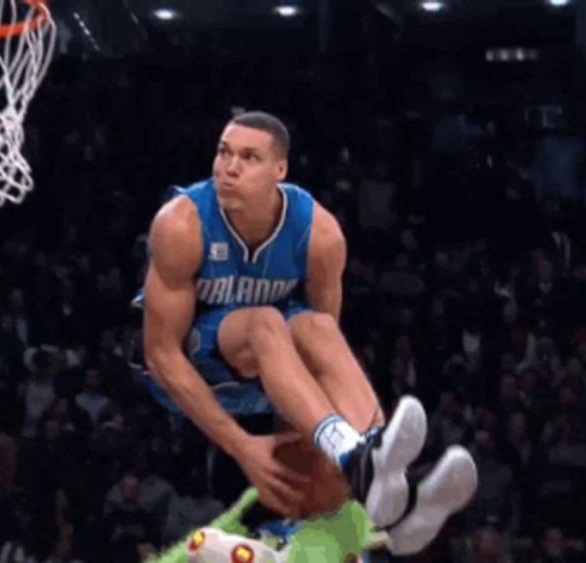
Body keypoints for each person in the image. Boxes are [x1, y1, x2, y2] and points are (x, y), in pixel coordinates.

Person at [138, 111, 476, 555]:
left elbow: (324, 347)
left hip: (272, 364)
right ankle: (358, 460)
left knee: (313, 326)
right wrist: (242, 445)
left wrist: (306, 443)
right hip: (200, 366)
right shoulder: (181, 223)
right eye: (223, 152)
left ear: (280, 171)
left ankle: (382, 480)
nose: (229, 167)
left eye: (248, 157)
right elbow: (161, 355)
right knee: (265, 321)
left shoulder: (320, 234)